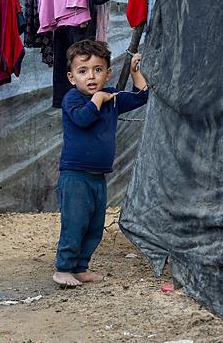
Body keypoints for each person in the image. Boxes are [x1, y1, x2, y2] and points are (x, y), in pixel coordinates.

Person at [53, 39, 149, 287]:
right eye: (82, 71)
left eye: (98, 70)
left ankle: (80, 267)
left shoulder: (113, 99)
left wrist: (136, 73)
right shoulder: (72, 99)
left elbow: (141, 96)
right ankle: (63, 268)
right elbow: (83, 120)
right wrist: (98, 99)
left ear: (108, 73)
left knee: (94, 225)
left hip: (98, 176)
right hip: (74, 175)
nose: (91, 76)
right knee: (75, 222)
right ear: (72, 77)